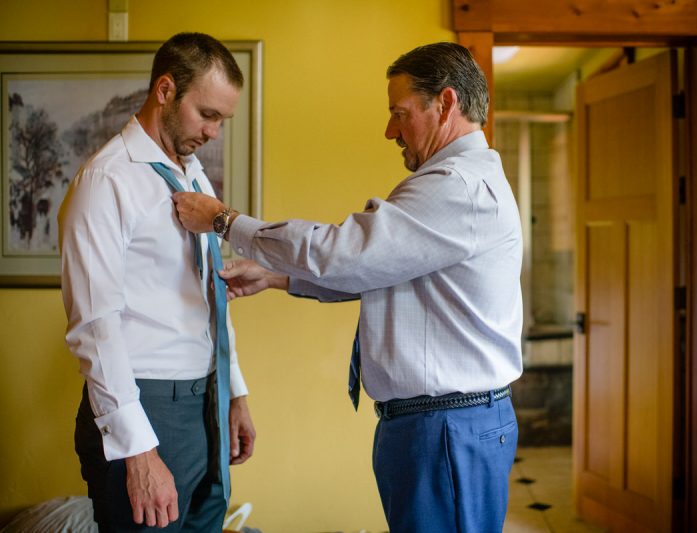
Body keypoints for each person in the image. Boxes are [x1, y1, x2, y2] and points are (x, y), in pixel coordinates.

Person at [173, 41, 522, 532]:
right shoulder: (457, 181)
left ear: (445, 103)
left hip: (446, 429)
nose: (389, 131)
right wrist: (277, 277)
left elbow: (343, 253)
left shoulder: (456, 187)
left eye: (399, 113)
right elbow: (378, 271)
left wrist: (225, 221)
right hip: (437, 427)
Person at [59, 32, 255, 531]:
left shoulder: (194, 179)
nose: (214, 132)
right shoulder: (105, 183)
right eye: (207, 114)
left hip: (203, 401)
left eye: (222, 120)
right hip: (146, 408)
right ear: (165, 90)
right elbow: (95, 327)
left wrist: (233, 393)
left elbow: (209, 294)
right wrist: (138, 451)